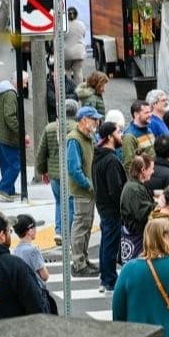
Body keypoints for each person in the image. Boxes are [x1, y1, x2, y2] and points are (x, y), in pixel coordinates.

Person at [36, 99, 78, 243]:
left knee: (59, 201)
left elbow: (42, 152)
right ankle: (69, 232)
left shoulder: (50, 128)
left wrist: (42, 171)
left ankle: (59, 231)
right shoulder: (78, 128)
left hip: (54, 173)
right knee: (71, 201)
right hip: (72, 173)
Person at [67, 106, 101, 277]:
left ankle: (83, 259)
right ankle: (79, 262)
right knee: (81, 226)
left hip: (87, 190)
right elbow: (74, 168)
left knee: (86, 226)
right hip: (82, 191)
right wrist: (88, 184)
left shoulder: (87, 137)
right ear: (84, 120)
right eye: (93, 119)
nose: (96, 122)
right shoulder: (74, 139)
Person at [93, 121, 126, 292]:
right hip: (111, 209)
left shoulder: (99, 156)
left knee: (106, 242)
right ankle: (110, 279)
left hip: (103, 206)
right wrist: (123, 207)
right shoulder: (111, 160)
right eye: (119, 132)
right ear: (110, 137)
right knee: (110, 244)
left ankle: (105, 277)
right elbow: (115, 190)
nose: (121, 135)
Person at [0, 79, 24, 202]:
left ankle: (9, 190)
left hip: (0, 134)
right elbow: (10, 117)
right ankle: (3, 188)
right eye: (24, 82)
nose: (25, 85)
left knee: (6, 164)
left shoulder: (6, 92)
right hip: (6, 136)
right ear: (18, 82)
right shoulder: (10, 94)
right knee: (15, 164)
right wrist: (22, 133)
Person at [11, 215, 53, 314]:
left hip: (22, 294)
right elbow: (44, 276)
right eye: (34, 228)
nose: (36, 230)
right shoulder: (33, 250)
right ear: (29, 231)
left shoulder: (16, 250)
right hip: (37, 293)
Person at [120, 155, 155, 263]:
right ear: (143, 170)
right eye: (151, 169)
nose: (153, 172)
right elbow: (143, 213)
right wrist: (160, 204)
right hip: (137, 237)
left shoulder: (134, 186)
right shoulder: (134, 190)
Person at [122, 100, 156, 171]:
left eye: (150, 112)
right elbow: (129, 164)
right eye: (146, 112)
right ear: (136, 115)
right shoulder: (129, 136)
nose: (150, 115)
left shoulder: (148, 130)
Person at [63, 7, 88, 83]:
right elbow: (83, 35)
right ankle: (78, 89)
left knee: (67, 70)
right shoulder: (81, 24)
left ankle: (69, 88)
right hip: (79, 52)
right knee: (78, 71)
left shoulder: (64, 25)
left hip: (67, 52)